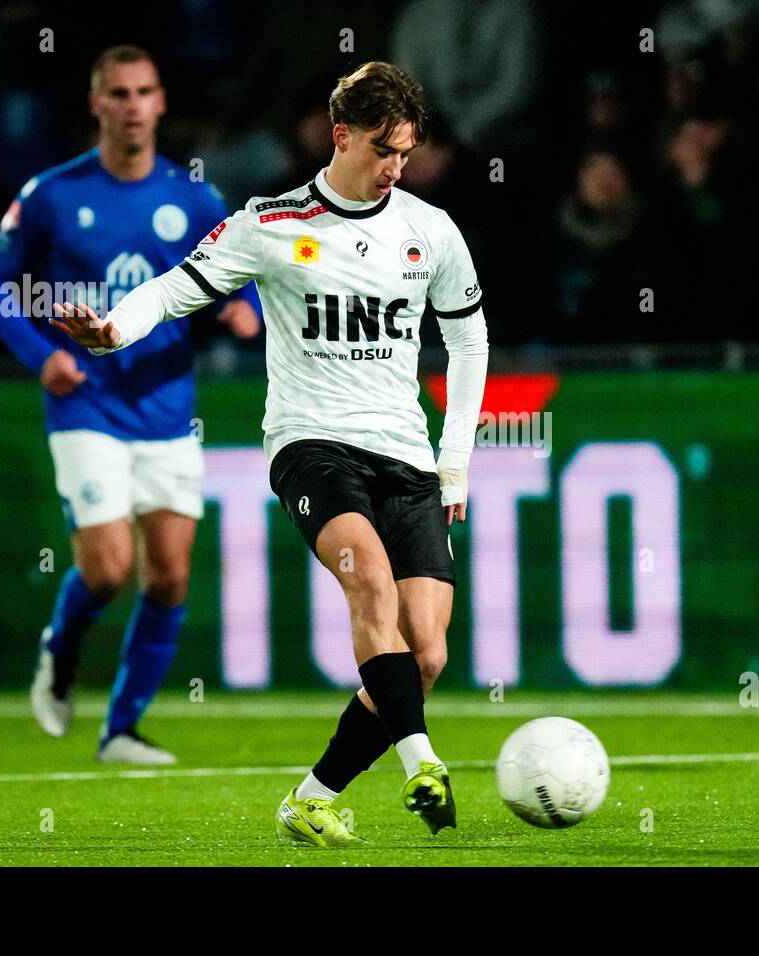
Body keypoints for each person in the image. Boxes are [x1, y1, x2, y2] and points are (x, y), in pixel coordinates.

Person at [49, 61, 488, 844]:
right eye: (383, 149)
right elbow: (177, 286)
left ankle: (311, 797)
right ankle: (422, 759)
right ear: (340, 134)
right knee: (372, 591)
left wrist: (454, 461)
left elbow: (468, 339)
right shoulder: (271, 223)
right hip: (312, 446)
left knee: (423, 654)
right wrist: (114, 329)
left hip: (407, 455)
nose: (395, 167)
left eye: (407, 153)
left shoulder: (431, 230)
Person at [0, 45, 261, 765]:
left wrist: (242, 309)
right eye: (118, 93)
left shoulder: (194, 197)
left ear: (162, 103)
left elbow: (240, 271)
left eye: (144, 92)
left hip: (166, 405)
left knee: (168, 574)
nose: (133, 105)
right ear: (97, 104)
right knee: (106, 569)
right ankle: (60, 651)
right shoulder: (50, 194)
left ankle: (120, 731)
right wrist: (45, 357)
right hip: (87, 404)